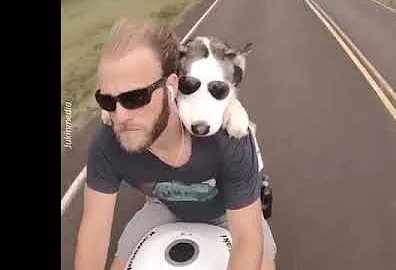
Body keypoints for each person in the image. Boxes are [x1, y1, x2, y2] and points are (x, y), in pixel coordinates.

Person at [73, 17, 277, 270]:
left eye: (136, 97)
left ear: (171, 86)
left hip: (229, 210)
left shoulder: (231, 139)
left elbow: (247, 239)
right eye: (107, 101)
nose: (120, 117)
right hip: (164, 208)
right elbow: (95, 231)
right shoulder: (108, 140)